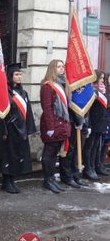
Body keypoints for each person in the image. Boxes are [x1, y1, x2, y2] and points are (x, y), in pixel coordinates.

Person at [1, 63, 36, 193]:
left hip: (21, 129)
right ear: (10, 76)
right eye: (16, 74)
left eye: (20, 74)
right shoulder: (6, 92)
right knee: (9, 156)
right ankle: (6, 181)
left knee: (18, 155)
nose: (19, 76)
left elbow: (28, 111)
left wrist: (29, 128)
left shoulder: (23, 92)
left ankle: (12, 179)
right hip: (11, 129)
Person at [39, 59, 71, 193]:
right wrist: (51, 127)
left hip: (61, 124)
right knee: (49, 153)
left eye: (62, 67)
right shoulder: (47, 86)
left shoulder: (62, 84)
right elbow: (47, 108)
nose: (61, 69)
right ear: (52, 68)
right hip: (51, 124)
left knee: (55, 154)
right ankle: (47, 180)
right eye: (58, 67)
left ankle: (52, 178)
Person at [82, 71, 109, 180]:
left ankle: (92, 167)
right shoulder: (91, 90)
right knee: (89, 147)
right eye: (101, 78)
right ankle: (87, 169)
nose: (103, 80)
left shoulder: (102, 90)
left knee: (96, 147)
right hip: (93, 122)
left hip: (100, 122)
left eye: (103, 78)